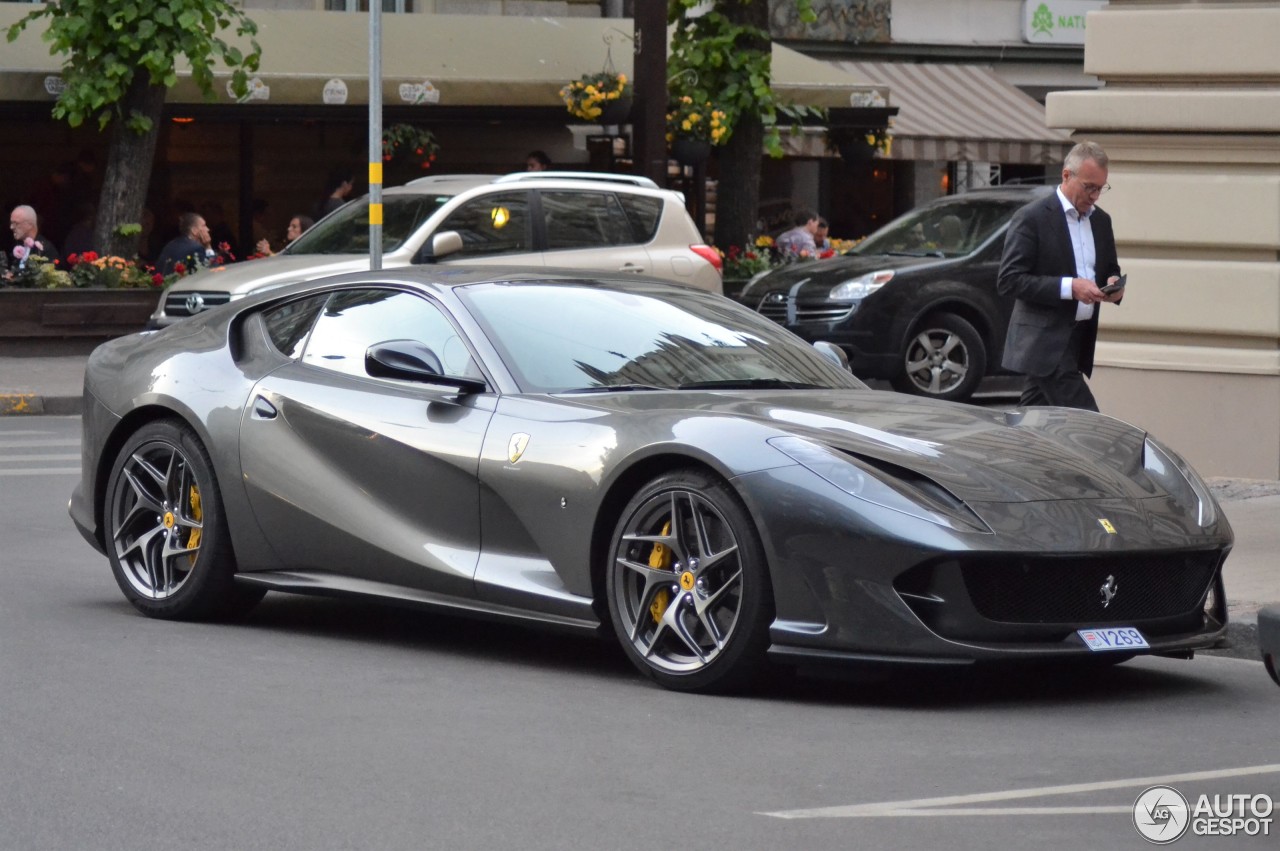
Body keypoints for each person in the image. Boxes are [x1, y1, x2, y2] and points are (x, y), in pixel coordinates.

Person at [997, 140, 1123, 412]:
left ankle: (1014, 454)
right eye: (1089, 187)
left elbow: (1109, 267)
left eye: (1101, 188)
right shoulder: (1032, 218)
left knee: (1034, 424)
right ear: (1067, 175)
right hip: (1045, 344)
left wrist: (1114, 284)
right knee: (1090, 426)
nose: (1095, 196)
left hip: (1077, 341)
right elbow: (1009, 280)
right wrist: (1070, 288)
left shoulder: (1101, 221)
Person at [155, 211, 212, 276]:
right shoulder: (196, 248)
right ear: (194, 230)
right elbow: (212, 270)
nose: (208, 229)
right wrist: (208, 246)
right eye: (204, 226)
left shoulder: (171, 243)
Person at [8, 204, 60, 270]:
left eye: (16, 223)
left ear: (29, 224)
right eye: (11, 223)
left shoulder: (45, 250)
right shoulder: (17, 246)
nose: (11, 227)